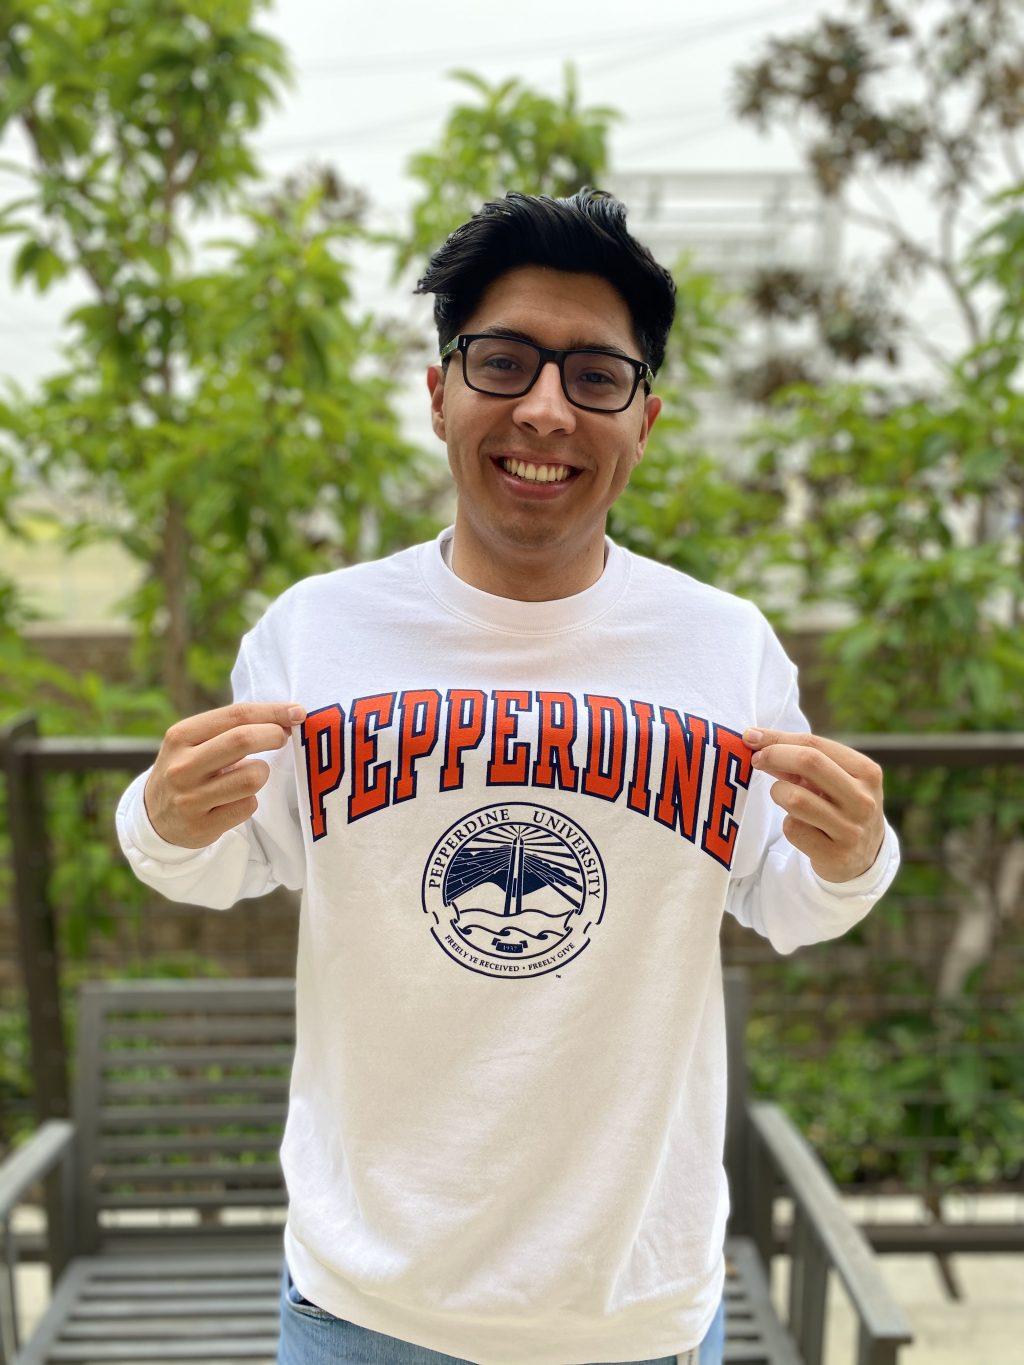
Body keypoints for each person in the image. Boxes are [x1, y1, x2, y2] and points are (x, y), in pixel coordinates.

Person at [115, 186, 900, 1365]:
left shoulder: (722, 643)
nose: (545, 410)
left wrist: (854, 855)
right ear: (438, 394)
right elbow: (219, 865)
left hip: (632, 1309)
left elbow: (785, 898)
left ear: (645, 419)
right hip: (364, 1306)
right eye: (504, 362)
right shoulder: (317, 630)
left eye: (594, 375)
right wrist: (162, 818)